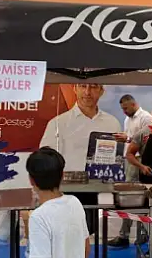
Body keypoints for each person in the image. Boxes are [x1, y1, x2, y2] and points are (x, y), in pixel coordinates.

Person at [39, 83, 120, 235]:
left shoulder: (112, 123)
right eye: (83, 86)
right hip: (66, 191)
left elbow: (117, 158)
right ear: (75, 89)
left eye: (93, 87)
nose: (87, 92)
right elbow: (45, 158)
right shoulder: (58, 123)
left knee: (90, 233)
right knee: (66, 235)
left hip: (98, 190)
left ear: (101, 91)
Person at [25, 147, 90, 258]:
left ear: (31, 180)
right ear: (62, 175)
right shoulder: (75, 202)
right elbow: (85, 246)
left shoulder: (39, 217)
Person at [109, 94, 152, 248]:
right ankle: (131, 235)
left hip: (140, 161)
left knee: (137, 199)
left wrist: (127, 139)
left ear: (134, 104)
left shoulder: (146, 118)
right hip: (130, 160)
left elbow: (147, 142)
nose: (124, 111)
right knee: (130, 199)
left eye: (126, 108)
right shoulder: (127, 119)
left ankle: (134, 235)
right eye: (122, 109)